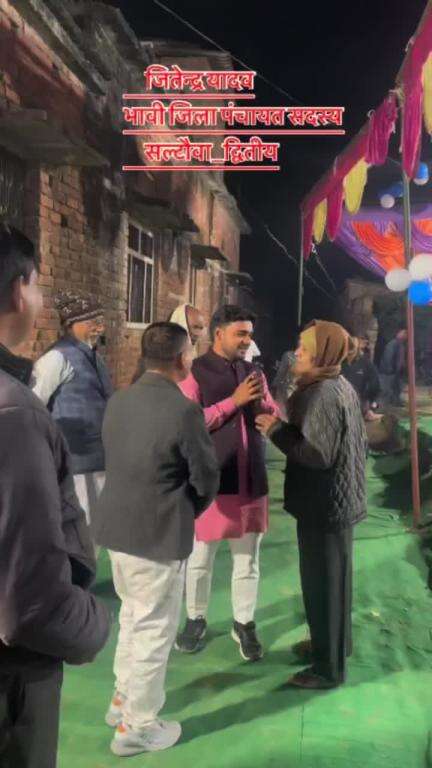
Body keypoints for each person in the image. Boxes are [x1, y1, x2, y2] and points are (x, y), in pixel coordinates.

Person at [0, 225, 110, 768]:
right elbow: (31, 604)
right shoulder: (17, 410)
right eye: (37, 286)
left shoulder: (88, 359)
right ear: (19, 291)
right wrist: (93, 624)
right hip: (14, 677)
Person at [91, 322, 219, 756]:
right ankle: (137, 726)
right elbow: (205, 478)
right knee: (153, 630)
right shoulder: (183, 410)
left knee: (132, 616)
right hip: (157, 533)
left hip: (117, 528)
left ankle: (122, 700)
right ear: (183, 359)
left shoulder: (119, 400)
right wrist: (185, 509)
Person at [256, 320, 367, 689]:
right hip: (337, 501)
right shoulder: (337, 384)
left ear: (322, 354)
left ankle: (327, 669)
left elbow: (316, 454)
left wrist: (275, 430)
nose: (298, 353)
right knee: (336, 582)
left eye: (305, 348)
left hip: (325, 505)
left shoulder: (322, 394)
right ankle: (334, 646)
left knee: (323, 585)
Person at [175, 305, 279, 662]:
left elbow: (272, 412)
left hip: (251, 479)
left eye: (249, 334)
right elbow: (188, 424)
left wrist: (266, 404)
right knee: (200, 559)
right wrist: (233, 402)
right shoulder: (195, 372)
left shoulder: (254, 372)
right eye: (241, 333)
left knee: (248, 560)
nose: (247, 340)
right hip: (212, 480)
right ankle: (195, 618)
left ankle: (243, 623)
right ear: (219, 333)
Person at [32, 290, 113, 531]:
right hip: (74, 465)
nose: (99, 327)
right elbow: (32, 406)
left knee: (97, 531)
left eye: (100, 320)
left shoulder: (96, 358)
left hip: (100, 461)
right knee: (77, 531)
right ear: (71, 324)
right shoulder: (56, 358)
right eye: (92, 321)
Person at [342, 336, 381, 421]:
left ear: (358, 345)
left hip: (358, 409)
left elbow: (376, 387)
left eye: (353, 344)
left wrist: (371, 407)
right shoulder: (338, 364)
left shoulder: (366, 364)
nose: (350, 347)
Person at [378, 329, 407, 407]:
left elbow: (401, 358)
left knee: (397, 388)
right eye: (403, 333)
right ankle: (383, 404)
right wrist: (389, 368)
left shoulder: (401, 344)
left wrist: (402, 368)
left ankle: (395, 401)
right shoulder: (393, 343)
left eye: (405, 334)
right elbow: (388, 356)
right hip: (390, 371)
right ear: (398, 333)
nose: (405, 335)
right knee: (386, 389)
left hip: (397, 371)